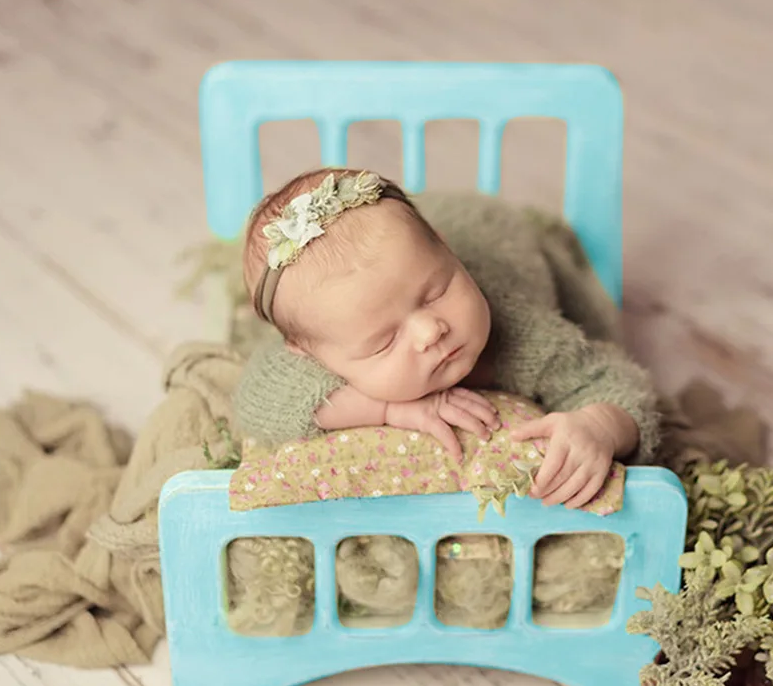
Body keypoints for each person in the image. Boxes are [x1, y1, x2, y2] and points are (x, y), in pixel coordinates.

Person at [233, 167, 660, 510]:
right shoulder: (321, 339)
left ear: (446, 249)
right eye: (384, 342)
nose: (429, 331)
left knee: (587, 305)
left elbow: (613, 381)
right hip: (414, 239)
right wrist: (389, 409)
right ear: (309, 354)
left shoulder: (523, 335)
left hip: (492, 229)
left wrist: (599, 426)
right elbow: (256, 399)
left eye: (437, 293)